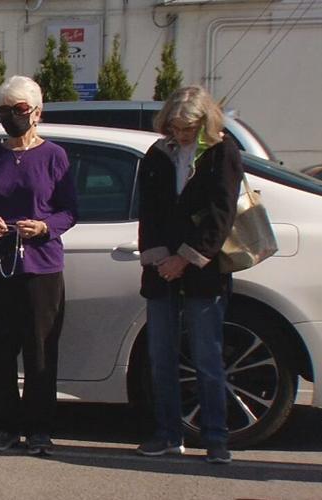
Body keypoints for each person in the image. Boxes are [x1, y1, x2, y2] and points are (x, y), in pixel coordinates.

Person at [0, 75, 77, 456]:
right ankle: (3, 426)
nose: (11, 116)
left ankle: (40, 428)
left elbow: (70, 211)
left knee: (40, 351)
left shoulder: (54, 156)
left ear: (37, 113)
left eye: (19, 109)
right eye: (4, 110)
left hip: (40, 267)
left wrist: (45, 226)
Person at [136, 85, 243, 464]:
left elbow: (221, 215)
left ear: (205, 122)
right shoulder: (158, 153)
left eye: (189, 127)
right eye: (177, 126)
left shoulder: (222, 152)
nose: (182, 134)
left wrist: (186, 258)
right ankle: (168, 433)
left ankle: (216, 437)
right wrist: (159, 258)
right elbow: (148, 210)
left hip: (203, 270)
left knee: (206, 356)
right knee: (161, 355)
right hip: (161, 267)